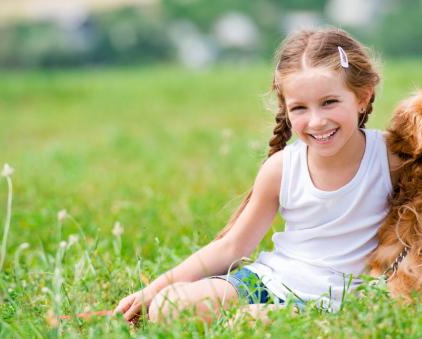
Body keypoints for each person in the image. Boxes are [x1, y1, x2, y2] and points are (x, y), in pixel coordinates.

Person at [113, 27, 393, 324]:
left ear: (362, 97)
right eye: (299, 108)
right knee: (166, 307)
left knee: (258, 320)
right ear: (285, 109)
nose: (316, 121)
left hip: (337, 300)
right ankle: (262, 317)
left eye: (329, 102)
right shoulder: (282, 168)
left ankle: (278, 319)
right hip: (270, 281)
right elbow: (233, 247)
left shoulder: (391, 157)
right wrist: (153, 290)